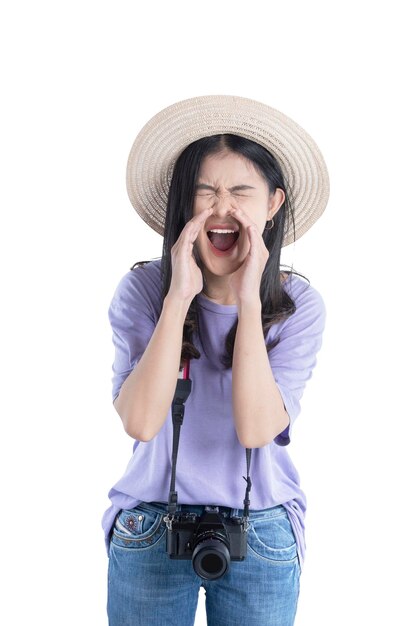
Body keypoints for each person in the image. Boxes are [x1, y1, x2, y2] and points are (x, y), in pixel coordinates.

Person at [102, 95, 329, 626]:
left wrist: (249, 301)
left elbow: (256, 430)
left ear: (273, 204)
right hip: (150, 525)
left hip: (263, 526)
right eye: (204, 193)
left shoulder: (298, 306)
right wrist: (179, 297)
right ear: (183, 207)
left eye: (240, 192)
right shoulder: (144, 290)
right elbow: (139, 420)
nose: (221, 209)